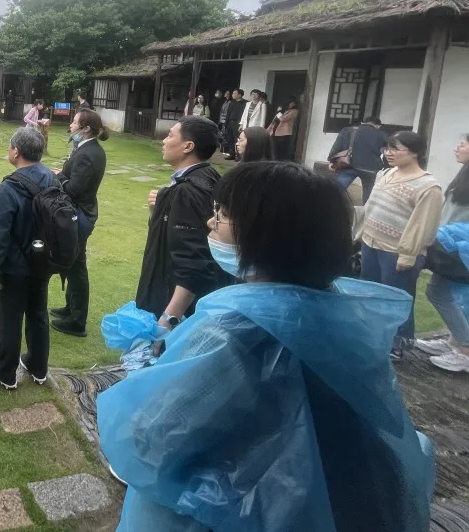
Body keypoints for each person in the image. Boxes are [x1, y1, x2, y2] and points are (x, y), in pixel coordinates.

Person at [98, 161, 435, 532]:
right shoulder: (344, 316)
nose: (211, 223)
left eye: (222, 215)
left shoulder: (234, 331)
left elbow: (153, 437)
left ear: (266, 234)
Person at [0, 127, 54, 389]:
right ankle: (38, 365)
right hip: (43, 260)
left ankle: (5, 371)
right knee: (38, 312)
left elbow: (0, 231)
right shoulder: (52, 178)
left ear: (16, 151)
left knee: (9, 317)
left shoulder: (10, 186)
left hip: (15, 266)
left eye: (10, 146)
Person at [137, 116, 227, 331]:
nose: (164, 141)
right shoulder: (209, 176)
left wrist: (167, 321)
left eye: (170, 136)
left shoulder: (188, 191)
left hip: (173, 305)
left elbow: (193, 263)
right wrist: (158, 211)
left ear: (188, 146)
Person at [359, 131, 443, 359]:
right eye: (387, 148)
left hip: (397, 252)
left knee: (397, 299)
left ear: (415, 152)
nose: (389, 153)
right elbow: (371, 207)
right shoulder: (385, 173)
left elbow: (423, 225)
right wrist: (360, 234)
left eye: (396, 149)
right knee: (370, 294)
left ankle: (397, 345)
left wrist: (408, 254)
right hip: (371, 243)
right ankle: (373, 337)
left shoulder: (428, 186)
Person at [49, 109, 108, 337]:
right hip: (81, 211)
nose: (71, 125)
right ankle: (71, 308)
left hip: (80, 213)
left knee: (76, 265)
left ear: (85, 129)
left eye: (74, 122)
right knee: (73, 262)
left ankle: (77, 321)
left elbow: (74, 189)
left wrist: (59, 176)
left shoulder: (88, 153)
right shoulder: (86, 148)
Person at [418, 135, 469, 372]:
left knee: (438, 292)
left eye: (464, 143)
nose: (458, 147)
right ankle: (455, 341)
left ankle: (465, 350)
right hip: (449, 246)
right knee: (445, 293)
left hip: (460, 249)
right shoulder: (464, 175)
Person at [328, 116, 388, 203]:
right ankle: (366, 210)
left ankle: (329, 206)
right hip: (370, 168)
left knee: (336, 191)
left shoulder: (347, 130)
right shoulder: (382, 135)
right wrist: (386, 167)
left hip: (347, 164)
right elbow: (387, 152)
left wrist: (331, 161)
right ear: (378, 125)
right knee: (368, 195)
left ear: (362, 122)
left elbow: (337, 146)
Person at [222, 89, 246, 160]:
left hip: (238, 123)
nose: (233, 95)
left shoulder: (245, 103)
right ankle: (231, 154)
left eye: (235, 93)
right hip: (230, 122)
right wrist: (226, 124)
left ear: (240, 95)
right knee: (230, 139)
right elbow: (228, 113)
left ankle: (238, 155)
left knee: (238, 139)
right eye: (233, 93)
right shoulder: (232, 102)